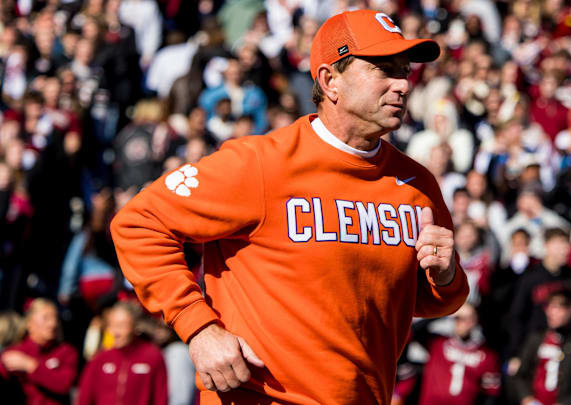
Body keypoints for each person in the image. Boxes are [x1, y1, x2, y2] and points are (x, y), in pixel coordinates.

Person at [110, 9, 469, 405]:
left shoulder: (418, 185)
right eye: (384, 70)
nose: (402, 84)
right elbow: (137, 223)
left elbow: (424, 300)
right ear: (330, 80)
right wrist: (198, 328)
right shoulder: (261, 164)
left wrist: (447, 276)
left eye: (405, 71)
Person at [395, 303, 501, 405]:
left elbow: (491, 393)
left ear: (475, 320)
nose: (463, 323)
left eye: (468, 318)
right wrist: (445, 313)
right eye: (459, 318)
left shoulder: (487, 355)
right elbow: (412, 330)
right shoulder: (438, 343)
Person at [511, 287, 571, 405]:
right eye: (550, 307)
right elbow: (520, 375)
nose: (552, 312)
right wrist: (527, 398)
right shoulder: (536, 338)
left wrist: (567, 403)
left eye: (559, 307)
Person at [508, 228, 571, 359]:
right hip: (533, 346)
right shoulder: (530, 277)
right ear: (547, 246)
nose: (565, 249)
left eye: (567, 244)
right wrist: (516, 353)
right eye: (560, 244)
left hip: (563, 348)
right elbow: (517, 316)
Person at [76, 300, 168, 405]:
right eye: (111, 325)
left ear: (135, 326)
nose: (115, 333)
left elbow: (161, 398)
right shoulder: (100, 359)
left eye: (121, 326)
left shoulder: (153, 356)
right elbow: (84, 399)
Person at [0, 298, 78, 405]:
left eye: (55, 318)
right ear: (29, 322)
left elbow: (64, 384)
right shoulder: (15, 352)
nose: (53, 323)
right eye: (46, 318)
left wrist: (31, 366)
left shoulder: (66, 352)